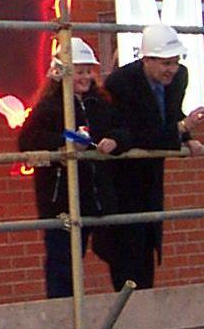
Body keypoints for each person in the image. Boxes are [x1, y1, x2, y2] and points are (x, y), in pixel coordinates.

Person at [16, 37, 130, 298]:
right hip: (62, 202)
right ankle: (63, 318)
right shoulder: (48, 108)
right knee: (63, 265)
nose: (86, 77)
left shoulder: (101, 104)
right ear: (62, 72)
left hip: (97, 199)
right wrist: (64, 143)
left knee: (120, 253)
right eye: (80, 70)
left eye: (88, 70)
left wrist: (115, 140)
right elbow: (28, 141)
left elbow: (123, 129)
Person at [101, 24, 204, 291]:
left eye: (175, 62)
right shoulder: (121, 84)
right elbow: (138, 132)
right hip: (124, 179)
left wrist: (185, 137)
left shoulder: (179, 77)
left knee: (148, 242)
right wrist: (182, 129)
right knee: (127, 246)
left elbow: (169, 115)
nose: (171, 68)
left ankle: (142, 303)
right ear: (146, 59)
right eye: (165, 63)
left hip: (151, 176)